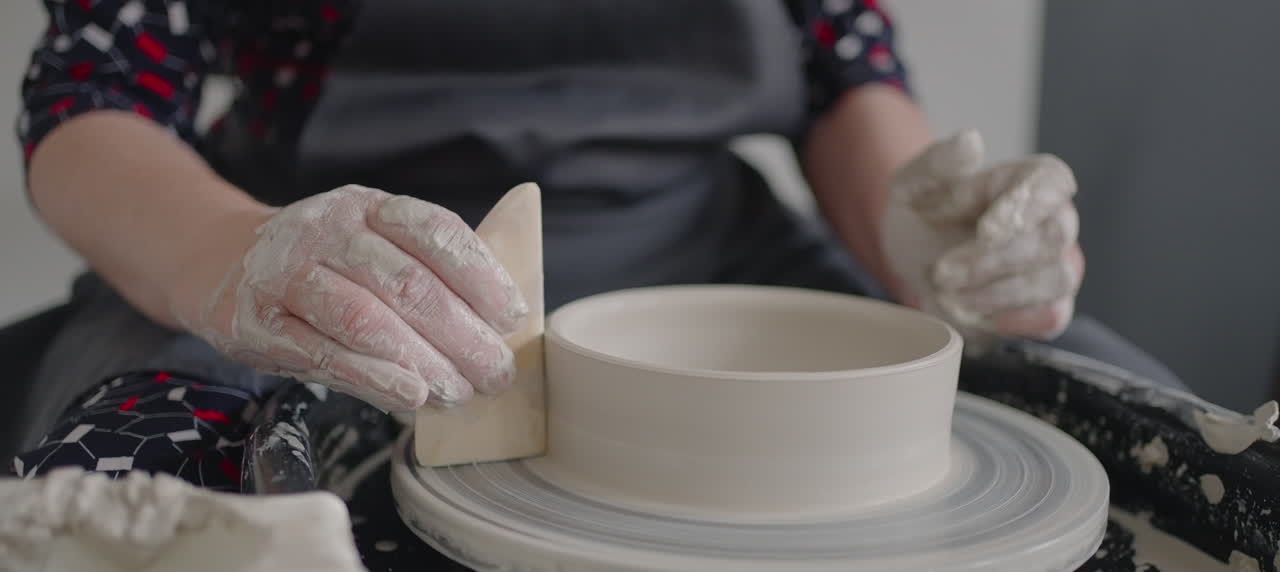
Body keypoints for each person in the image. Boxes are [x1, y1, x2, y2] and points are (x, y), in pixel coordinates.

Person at [9, 0, 1179, 483]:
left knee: (1125, 437)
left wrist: (918, 237)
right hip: (310, 251)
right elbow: (92, 94)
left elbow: (841, 71)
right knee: (135, 524)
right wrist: (232, 257)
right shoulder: (269, 257)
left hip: (709, 253)